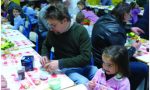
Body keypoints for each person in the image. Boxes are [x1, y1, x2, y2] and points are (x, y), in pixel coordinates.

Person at [91, 2, 148, 90]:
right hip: (107, 63)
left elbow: (116, 26)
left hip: (98, 58)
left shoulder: (104, 18)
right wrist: (134, 48)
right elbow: (120, 58)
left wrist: (130, 29)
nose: (131, 17)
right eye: (130, 15)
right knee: (143, 68)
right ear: (125, 14)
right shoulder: (116, 31)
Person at [40, 3, 98, 84]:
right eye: (50, 25)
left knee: (100, 74)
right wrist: (44, 56)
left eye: (53, 25)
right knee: (84, 82)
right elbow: (46, 45)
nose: (51, 28)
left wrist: (60, 63)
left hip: (83, 66)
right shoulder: (52, 32)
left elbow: (85, 58)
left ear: (64, 20)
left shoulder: (80, 31)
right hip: (66, 68)